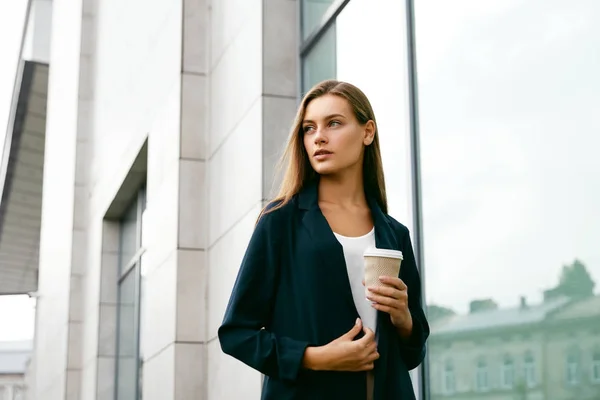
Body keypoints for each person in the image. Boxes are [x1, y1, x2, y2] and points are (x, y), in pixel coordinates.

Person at [218, 80, 429, 400]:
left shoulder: (394, 233)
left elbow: (413, 354)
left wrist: (404, 319)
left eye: (334, 123)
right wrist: (316, 357)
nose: (319, 137)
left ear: (367, 132)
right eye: (308, 128)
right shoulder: (279, 222)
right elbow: (236, 334)